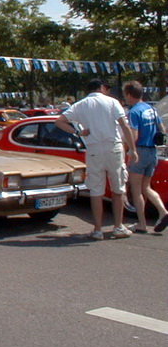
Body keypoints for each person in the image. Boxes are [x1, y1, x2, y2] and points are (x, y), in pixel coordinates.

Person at [54, 79, 138, 240]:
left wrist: (77, 133)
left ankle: (98, 229)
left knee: (96, 190)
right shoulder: (112, 102)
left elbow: (59, 121)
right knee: (118, 189)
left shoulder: (81, 104)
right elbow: (124, 126)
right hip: (113, 147)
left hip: (93, 149)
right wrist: (132, 149)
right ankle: (118, 226)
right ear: (101, 88)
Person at [122, 81, 168, 233]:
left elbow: (133, 135)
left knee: (136, 189)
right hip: (152, 152)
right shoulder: (151, 109)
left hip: (139, 151)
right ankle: (163, 211)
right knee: (146, 187)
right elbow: (161, 129)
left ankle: (141, 223)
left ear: (129, 94)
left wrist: (127, 148)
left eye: (125, 95)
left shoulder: (134, 112)